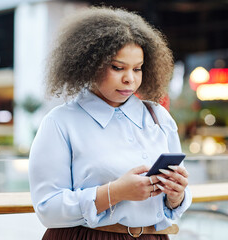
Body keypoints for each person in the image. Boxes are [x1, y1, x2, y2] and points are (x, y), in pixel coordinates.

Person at [29, 6, 192, 240]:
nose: (130, 78)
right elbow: (47, 208)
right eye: (118, 67)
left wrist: (176, 196)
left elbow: (176, 202)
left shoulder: (159, 117)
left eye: (138, 68)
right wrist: (114, 193)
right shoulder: (60, 122)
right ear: (89, 63)